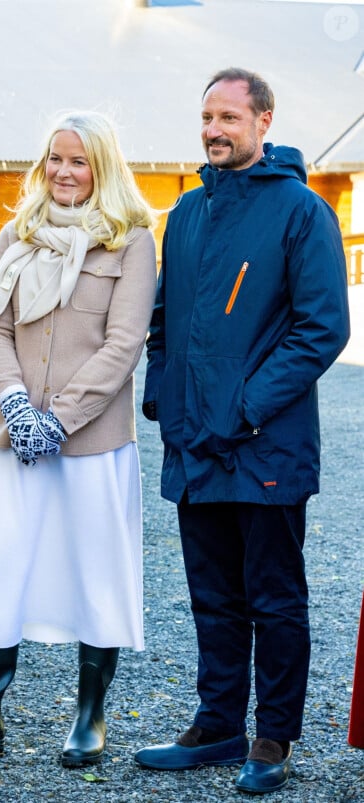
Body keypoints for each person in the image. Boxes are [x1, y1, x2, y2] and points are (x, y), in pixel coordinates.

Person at [0, 110, 158, 768]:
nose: (65, 171)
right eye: (55, 158)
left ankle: (90, 717)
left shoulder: (131, 241)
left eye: (79, 160)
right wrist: (17, 405)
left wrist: (59, 418)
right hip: (16, 437)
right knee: (1, 566)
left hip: (91, 442)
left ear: (102, 166)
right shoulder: (14, 235)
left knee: (96, 570)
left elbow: (123, 345)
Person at [134, 68, 350, 795]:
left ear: (263, 121)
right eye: (206, 117)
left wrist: (248, 405)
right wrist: (163, 393)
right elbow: (164, 320)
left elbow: (323, 327)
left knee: (275, 596)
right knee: (212, 595)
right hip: (195, 444)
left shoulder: (301, 211)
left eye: (228, 116)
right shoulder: (186, 213)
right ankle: (218, 723)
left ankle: (273, 737)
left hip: (266, 447)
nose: (214, 129)